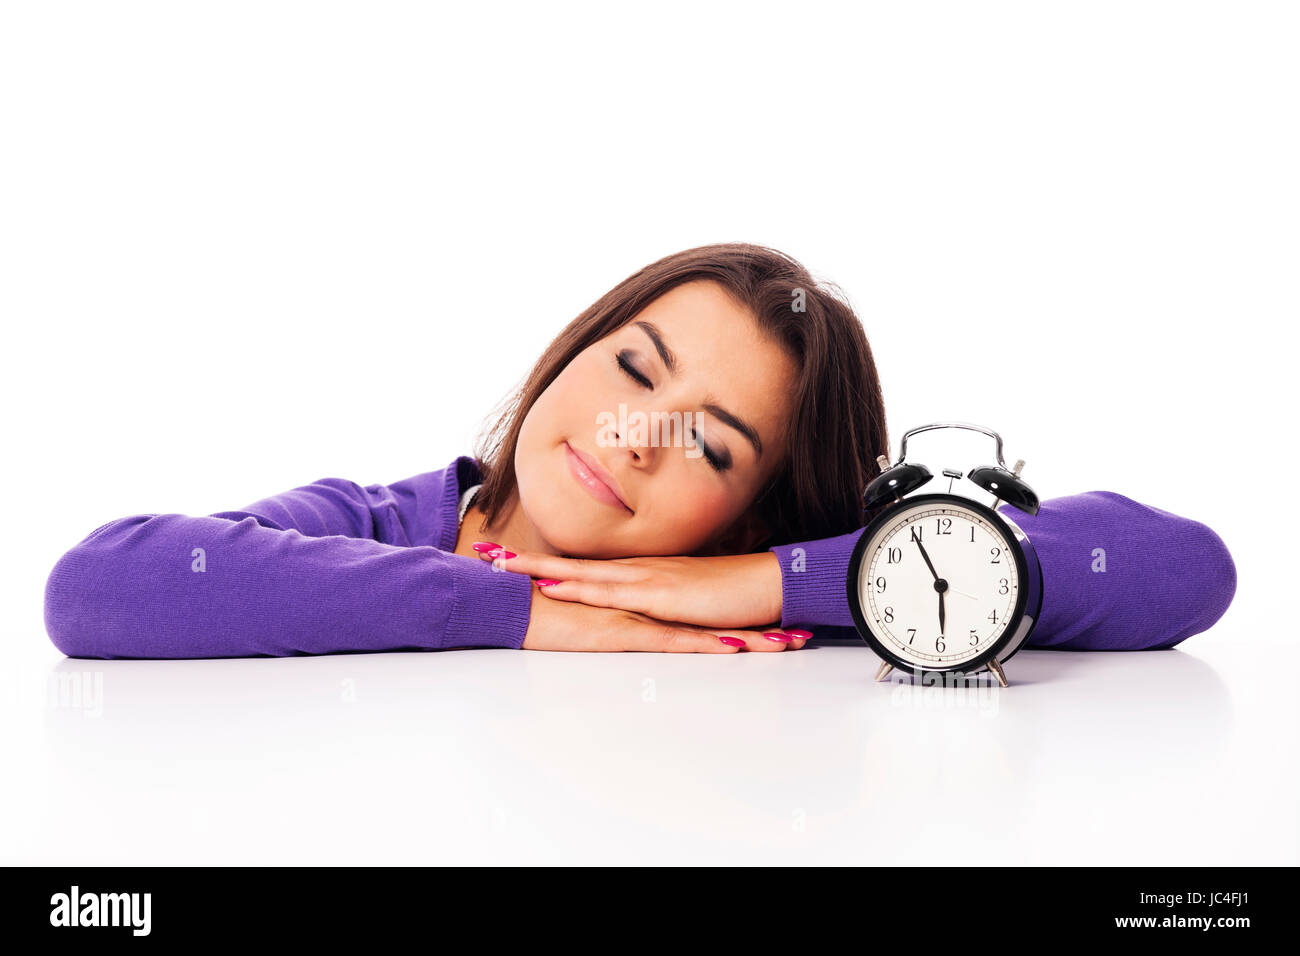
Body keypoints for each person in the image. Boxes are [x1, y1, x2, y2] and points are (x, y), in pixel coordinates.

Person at [43, 244, 1237, 659]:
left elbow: (1181, 570)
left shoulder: (780, 596)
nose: (632, 435)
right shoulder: (386, 520)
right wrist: (522, 612)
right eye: (629, 370)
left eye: (710, 447)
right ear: (574, 347)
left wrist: (771, 580)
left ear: (743, 514)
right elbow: (96, 585)